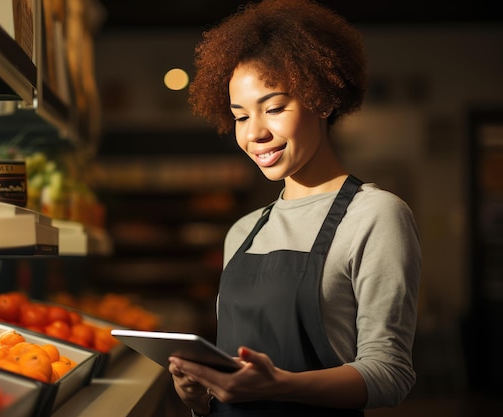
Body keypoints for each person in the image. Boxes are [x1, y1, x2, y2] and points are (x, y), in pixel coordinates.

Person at [167, 0, 421, 416]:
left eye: (274, 108)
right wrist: (200, 394)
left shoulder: (376, 215)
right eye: (240, 117)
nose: (255, 133)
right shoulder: (243, 231)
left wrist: (279, 386)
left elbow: (390, 372)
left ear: (322, 100)